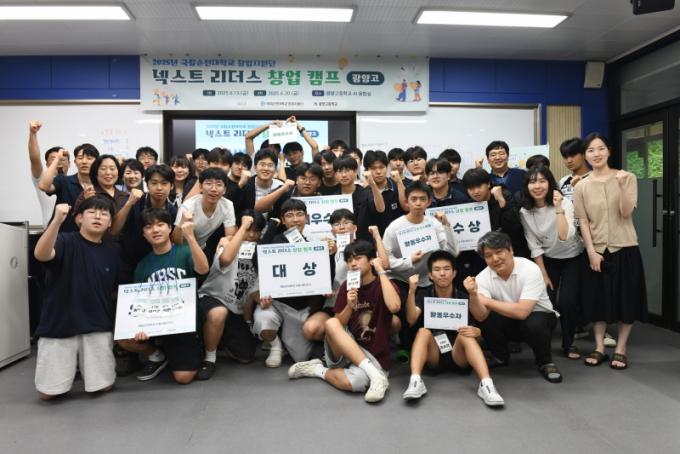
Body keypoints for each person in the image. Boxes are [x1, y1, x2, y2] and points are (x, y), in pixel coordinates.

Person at [287, 240, 399, 403]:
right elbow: (338, 324)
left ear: (371, 260)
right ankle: (376, 376)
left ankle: (317, 369)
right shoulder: (347, 286)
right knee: (331, 323)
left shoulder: (383, 284)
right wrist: (349, 306)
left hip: (374, 354)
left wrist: (381, 271)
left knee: (355, 383)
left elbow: (394, 307)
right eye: (349, 260)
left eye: (358, 258)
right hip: (346, 349)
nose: (353, 263)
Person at [33, 196, 119, 400]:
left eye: (104, 213)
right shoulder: (65, 240)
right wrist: (56, 221)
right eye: (92, 212)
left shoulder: (112, 253)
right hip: (59, 323)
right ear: (79, 218)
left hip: (97, 325)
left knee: (103, 387)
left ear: (110, 223)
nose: (98, 216)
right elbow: (41, 254)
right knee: (47, 394)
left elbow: (114, 292)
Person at [573, 132, 647, 370]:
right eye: (591, 150)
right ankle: (598, 347)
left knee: (627, 299)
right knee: (598, 300)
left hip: (625, 247)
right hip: (597, 251)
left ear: (609, 151)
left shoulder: (627, 177)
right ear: (585, 155)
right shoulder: (581, 185)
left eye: (601, 148)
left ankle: (621, 348)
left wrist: (623, 186)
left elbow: (626, 212)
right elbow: (583, 221)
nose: (596, 154)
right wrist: (591, 252)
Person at [117, 208, 209, 384]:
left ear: (170, 228)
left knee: (183, 377)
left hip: (183, 323)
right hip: (155, 322)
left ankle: (187, 351)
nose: (155, 230)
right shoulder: (143, 265)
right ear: (143, 234)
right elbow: (139, 300)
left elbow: (203, 269)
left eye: (160, 225)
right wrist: (138, 326)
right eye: (149, 227)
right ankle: (157, 355)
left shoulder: (184, 252)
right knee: (123, 336)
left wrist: (190, 237)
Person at [402, 251, 504, 407]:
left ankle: (487, 384)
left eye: (446, 269)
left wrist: (478, 331)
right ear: (430, 275)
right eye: (437, 269)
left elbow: (479, 320)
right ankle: (415, 381)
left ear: (454, 273)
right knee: (423, 331)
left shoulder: (463, 297)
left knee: (466, 334)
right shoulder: (424, 295)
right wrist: (411, 291)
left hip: (459, 355)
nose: (442, 273)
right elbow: (410, 319)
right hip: (434, 354)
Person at [463, 231, 562, 383]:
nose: (495, 259)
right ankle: (500, 356)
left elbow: (522, 312)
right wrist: (473, 295)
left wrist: (487, 301)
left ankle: (545, 362)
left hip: (539, 318)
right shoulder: (483, 277)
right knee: (486, 317)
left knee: (534, 322)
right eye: (488, 255)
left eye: (499, 252)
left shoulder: (530, 268)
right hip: (509, 320)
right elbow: (480, 316)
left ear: (510, 250)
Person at [383, 181, 459, 348]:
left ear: (429, 202)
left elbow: (452, 253)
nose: (418, 203)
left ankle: (435, 347)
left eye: (422, 199)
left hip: (426, 278)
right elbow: (385, 261)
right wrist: (409, 261)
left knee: (429, 310)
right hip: (400, 277)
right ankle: (406, 348)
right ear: (406, 202)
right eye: (414, 199)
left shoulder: (434, 224)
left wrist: (447, 226)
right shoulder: (394, 227)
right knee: (405, 307)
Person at [196, 211, 271, 379]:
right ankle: (209, 359)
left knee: (246, 355)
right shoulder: (227, 244)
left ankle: (216, 338)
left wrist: (264, 301)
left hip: (234, 310)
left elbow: (253, 290)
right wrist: (243, 227)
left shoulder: (259, 254)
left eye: (256, 231)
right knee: (219, 313)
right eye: (248, 230)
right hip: (211, 299)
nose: (251, 235)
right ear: (237, 228)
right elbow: (226, 259)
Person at [519, 167, 584, 359]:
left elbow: (565, 235)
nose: (537, 186)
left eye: (542, 181)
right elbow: (533, 244)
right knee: (546, 302)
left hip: (572, 257)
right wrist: (543, 273)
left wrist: (558, 208)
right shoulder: (525, 211)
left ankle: (569, 344)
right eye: (532, 182)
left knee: (567, 302)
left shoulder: (564, 202)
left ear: (550, 183)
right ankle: (543, 346)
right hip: (548, 260)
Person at [112, 164, 177, 281]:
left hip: (157, 265)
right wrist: (128, 204)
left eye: (164, 183)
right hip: (127, 262)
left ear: (171, 186)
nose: (159, 188)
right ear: (147, 185)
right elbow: (114, 230)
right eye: (154, 183)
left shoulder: (173, 211)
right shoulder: (135, 202)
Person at [173, 167, 237, 258]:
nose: (213, 189)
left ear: (224, 190)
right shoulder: (188, 206)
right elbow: (175, 240)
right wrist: (181, 223)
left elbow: (230, 235)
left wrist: (226, 240)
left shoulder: (227, 205)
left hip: (201, 248)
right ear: (200, 187)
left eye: (219, 184)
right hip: (181, 250)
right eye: (208, 183)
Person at [39, 143, 99, 232]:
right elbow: (43, 186)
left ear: (97, 162)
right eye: (80, 158)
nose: (84, 161)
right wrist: (58, 158)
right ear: (75, 162)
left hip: (89, 235)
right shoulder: (63, 180)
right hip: (61, 235)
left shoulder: (101, 185)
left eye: (89, 158)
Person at [27, 121, 69, 228]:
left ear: (69, 164)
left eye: (62, 159)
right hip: (51, 232)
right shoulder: (42, 179)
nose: (59, 161)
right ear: (47, 164)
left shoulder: (74, 181)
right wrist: (33, 134)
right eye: (54, 159)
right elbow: (34, 159)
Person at [334, 155, 385, 241]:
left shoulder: (366, 192)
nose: (343, 175)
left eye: (347, 170)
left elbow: (381, 209)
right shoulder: (333, 197)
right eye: (339, 171)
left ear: (355, 172)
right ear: (335, 174)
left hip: (364, 243)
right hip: (341, 242)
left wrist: (372, 184)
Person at [363, 150, 405, 234]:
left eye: (381, 167)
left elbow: (406, 207)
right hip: (375, 238)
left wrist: (399, 182)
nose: (378, 172)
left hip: (398, 235)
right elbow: (380, 209)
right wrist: (372, 184)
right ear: (366, 170)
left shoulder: (396, 185)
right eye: (373, 168)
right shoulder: (364, 191)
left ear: (387, 167)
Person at [240, 147, 284, 217]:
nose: (266, 169)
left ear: (275, 169)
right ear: (255, 167)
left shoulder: (281, 186)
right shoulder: (246, 186)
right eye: (262, 165)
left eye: (270, 165)